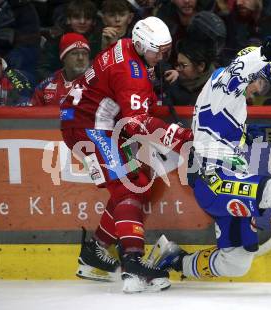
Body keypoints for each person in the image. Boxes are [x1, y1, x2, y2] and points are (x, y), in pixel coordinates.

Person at [155, 33, 271, 295]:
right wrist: (267, 51)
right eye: (261, 82)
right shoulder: (223, 80)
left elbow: (219, 129)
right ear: (254, 72)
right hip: (214, 179)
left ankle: (173, 259)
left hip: (226, 177)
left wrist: (252, 134)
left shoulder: (232, 101)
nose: (259, 91)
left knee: (235, 262)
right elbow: (237, 72)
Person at [59, 16, 193, 294]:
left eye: (166, 50)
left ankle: (94, 253)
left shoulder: (128, 47)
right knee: (127, 187)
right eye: (159, 50)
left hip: (93, 123)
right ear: (143, 45)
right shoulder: (131, 72)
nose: (163, 56)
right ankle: (132, 262)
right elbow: (136, 123)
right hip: (88, 129)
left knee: (137, 180)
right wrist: (180, 137)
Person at [30, 33, 90, 106]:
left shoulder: (96, 83)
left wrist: (59, 114)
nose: (80, 58)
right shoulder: (47, 84)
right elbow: (34, 112)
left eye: (85, 53)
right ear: (63, 57)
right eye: (74, 53)